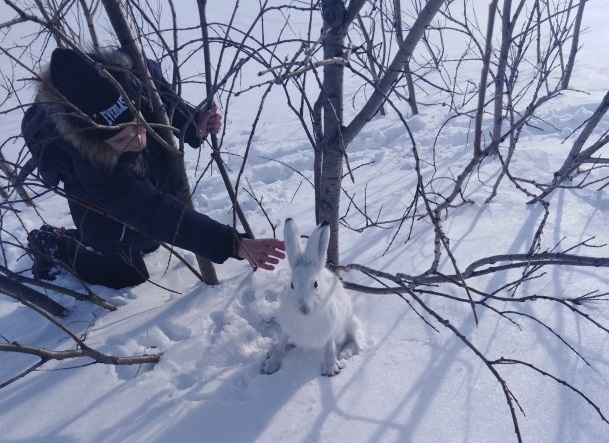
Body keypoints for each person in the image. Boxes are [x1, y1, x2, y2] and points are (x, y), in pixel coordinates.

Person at [22, 47, 285, 289]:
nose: (137, 139)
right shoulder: (93, 162)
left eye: (138, 125)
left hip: (141, 183)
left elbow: (161, 99)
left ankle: (88, 239)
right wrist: (233, 244)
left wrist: (194, 124)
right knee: (128, 273)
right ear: (95, 141)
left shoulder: (132, 80)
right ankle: (55, 247)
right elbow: (152, 210)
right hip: (98, 208)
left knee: (149, 241)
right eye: (121, 139)